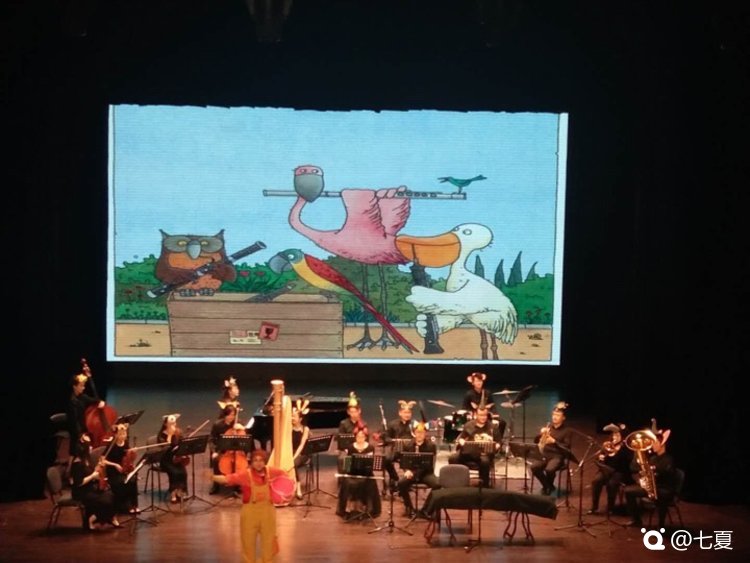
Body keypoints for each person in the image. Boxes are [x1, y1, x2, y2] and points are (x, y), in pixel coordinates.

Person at [213, 449, 285, 563]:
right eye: (255, 460)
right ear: (251, 462)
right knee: (248, 544)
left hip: (268, 514)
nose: (258, 463)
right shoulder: (245, 474)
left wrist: (281, 490)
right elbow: (227, 479)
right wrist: (212, 477)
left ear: (265, 461)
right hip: (250, 514)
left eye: (261, 460)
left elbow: (284, 475)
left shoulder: (271, 472)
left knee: (269, 544)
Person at [624, 425, 678, 528]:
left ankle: (661, 525)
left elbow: (667, 473)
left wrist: (654, 471)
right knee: (628, 491)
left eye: (655, 443)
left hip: (664, 488)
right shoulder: (653, 458)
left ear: (662, 444)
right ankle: (636, 520)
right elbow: (637, 469)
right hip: (653, 487)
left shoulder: (669, 459)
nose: (652, 445)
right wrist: (642, 477)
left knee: (661, 497)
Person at [69, 434, 119, 530]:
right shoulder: (77, 463)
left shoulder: (87, 460)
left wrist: (97, 469)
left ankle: (100, 518)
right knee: (106, 501)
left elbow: (90, 473)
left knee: (114, 495)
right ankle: (92, 519)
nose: (91, 447)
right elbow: (79, 483)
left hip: (90, 487)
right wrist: (93, 476)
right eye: (89, 445)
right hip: (81, 492)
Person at [448, 404, 503, 487]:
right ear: (476, 415)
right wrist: (462, 441)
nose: (483, 417)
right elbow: (461, 438)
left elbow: (499, 442)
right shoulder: (468, 425)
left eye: (485, 415)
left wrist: (497, 446)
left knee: (485, 462)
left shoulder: (493, 427)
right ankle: (457, 484)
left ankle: (484, 486)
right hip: (468, 453)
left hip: (484, 454)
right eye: (481, 415)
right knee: (453, 458)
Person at [336, 426, 382, 519]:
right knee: (347, 482)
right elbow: (348, 465)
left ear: (365, 437)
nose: (360, 438)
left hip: (366, 473)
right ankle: (347, 509)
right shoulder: (350, 447)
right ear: (355, 437)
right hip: (353, 473)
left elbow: (370, 465)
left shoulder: (370, 447)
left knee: (369, 483)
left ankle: (367, 509)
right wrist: (347, 469)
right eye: (358, 436)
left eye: (362, 436)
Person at [588, 422, 633, 515]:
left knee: (611, 484)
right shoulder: (609, 443)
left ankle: (610, 508)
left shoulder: (626, 447)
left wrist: (616, 452)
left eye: (617, 435)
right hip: (606, 470)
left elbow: (626, 463)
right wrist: (601, 457)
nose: (615, 437)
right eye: (614, 435)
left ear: (623, 436)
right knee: (596, 481)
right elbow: (600, 458)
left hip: (619, 471)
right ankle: (594, 507)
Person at [397, 421, 439, 518]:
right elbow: (404, 462)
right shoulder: (408, 445)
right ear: (414, 433)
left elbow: (428, 465)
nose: (420, 435)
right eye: (418, 432)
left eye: (422, 432)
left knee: (437, 485)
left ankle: (426, 510)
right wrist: (407, 470)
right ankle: (409, 508)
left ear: (425, 434)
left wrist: (414, 473)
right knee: (401, 483)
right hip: (411, 473)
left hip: (426, 474)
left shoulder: (431, 446)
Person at [531, 401, 573, 495]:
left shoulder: (567, 431)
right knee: (534, 467)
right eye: (553, 414)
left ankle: (548, 486)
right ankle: (548, 486)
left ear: (563, 418)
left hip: (558, 456)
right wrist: (540, 434)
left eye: (558, 415)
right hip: (545, 454)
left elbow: (567, 447)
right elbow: (536, 441)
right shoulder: (549, 427)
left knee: (549, 470)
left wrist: (554, 441)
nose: (554, 417)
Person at [102, 423, 140, 514]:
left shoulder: (125, 444)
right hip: (113, 472)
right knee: (123, 481)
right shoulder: (111, 445)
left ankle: (134, 505)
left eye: (124, 434)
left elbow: (128, 457)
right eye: (121, 434)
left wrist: (133, 453)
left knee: (133, 479)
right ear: (116, 435)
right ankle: (124, 505)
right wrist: (115, 465)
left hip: (124, 469)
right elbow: (102, 460)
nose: (123, 436)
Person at [66, 372, 106, 456]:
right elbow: (74, 422)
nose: (83, 388)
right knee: (80, 450)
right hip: (75, 431)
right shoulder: (72, 401)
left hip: (82, 428)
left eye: (84, 386)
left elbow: (94, 399)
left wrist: (100, 401)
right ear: (74, 386)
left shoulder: (82, 397)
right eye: (81, 386)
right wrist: (80, 435)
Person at [209, 405, 243, 495]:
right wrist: (214, 451)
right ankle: (216, 485)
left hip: (235, 450)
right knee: (216, 461)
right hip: (222, 450)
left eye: (233, 415)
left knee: (239, 462)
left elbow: (244, 437)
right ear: (225, 415)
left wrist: (242, 428)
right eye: (229, 415)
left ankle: (237, 484)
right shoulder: (217, 425)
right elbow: (211, 439)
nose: (232, 417)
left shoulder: (238, 423)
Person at [383, 400, 416, 491]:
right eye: (405, 412)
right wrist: (394, 441)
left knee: (410, 461)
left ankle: (406, 482)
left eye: (409, 413)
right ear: (400, 413)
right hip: (396, 449)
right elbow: (386, 438)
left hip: (410, 451)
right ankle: (395, 478)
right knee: (386, 459)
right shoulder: (392, 424)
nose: (407, 415)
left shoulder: (414, 425)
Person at [157, 413, 188, 503]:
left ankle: (180, 491)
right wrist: (170, 435)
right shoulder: (161, 435)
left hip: (177, 459)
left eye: (174, 423)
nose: (173, 425)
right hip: (166, 460)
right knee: (174, 472)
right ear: (165, 424)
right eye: (171, 424)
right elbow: (164, 449)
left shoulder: (178, 432)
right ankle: (173, 493)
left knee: (183, 472)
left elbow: (183, 444)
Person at [291, 399, 311, 499]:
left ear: (300, 419)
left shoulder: (305, 429)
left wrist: (294, 457)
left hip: (302, 453)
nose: (292, 418)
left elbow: (301, 446)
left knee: (293, 463)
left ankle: (298, 488)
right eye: (291, 416)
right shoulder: (288, 428)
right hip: (291, 452)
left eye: (294, 416)